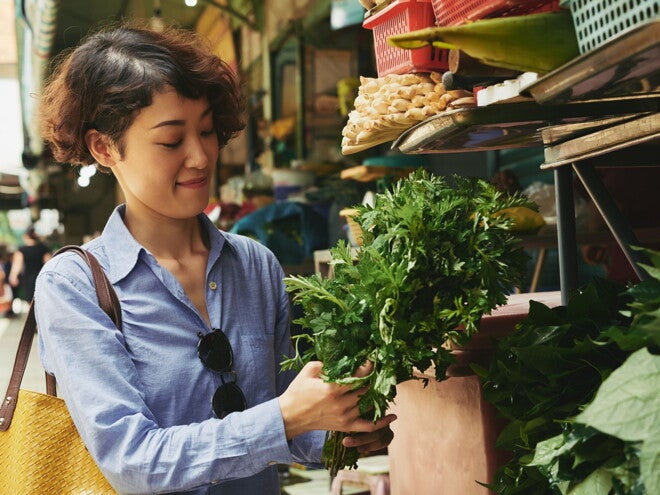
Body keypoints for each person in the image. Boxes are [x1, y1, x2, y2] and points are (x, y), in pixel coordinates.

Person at [34, 23, 395, 495]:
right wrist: (285, 417)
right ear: (104, 147)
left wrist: (344, 426)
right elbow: (132, 462)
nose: (201, 157)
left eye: (206, 132)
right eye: (171, 140)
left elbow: (293, 428)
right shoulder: (74, 285)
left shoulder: (255, 264)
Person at [8, 227, 52, 308]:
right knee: (42, 301)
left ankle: (32, 319)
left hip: (27, 278)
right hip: (41, 277)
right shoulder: (43, 248)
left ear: (26, 236)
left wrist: (13, 276)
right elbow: (49, 263)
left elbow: (17, 265)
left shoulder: (22, 250)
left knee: (30, 303)